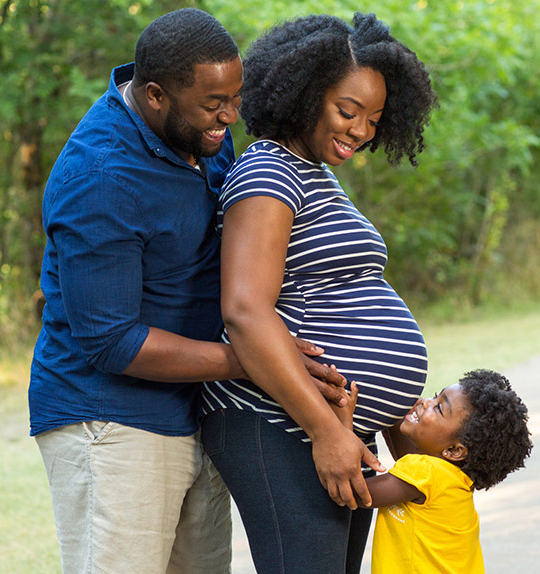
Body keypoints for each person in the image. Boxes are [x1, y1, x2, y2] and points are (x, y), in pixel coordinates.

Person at [28, 9, 345, 574]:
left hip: (196, 409)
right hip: (111, 421)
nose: (230, 116)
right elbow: (112, 342)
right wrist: (252, 358)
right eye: (213, 103)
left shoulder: (201, 132)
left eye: (236, 96)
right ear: (155, 95)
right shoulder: (100, 177)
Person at [200, 12, 438, 574]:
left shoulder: (313, 174)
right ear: (304, 95)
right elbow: (245, 311)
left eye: (374, 118)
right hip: (280, 423)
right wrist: (326, 431)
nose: (360, 130)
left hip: (330, 427)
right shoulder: (269, 172)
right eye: (347, 111)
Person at [332, 370, 532, 574]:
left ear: (454, 451)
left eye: (439, 408)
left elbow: (353, 490)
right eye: (436, 395)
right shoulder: (450, 478)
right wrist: (392, 407)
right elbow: (405, 456)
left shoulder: (426, 473)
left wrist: (343, 427)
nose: (426, 402)